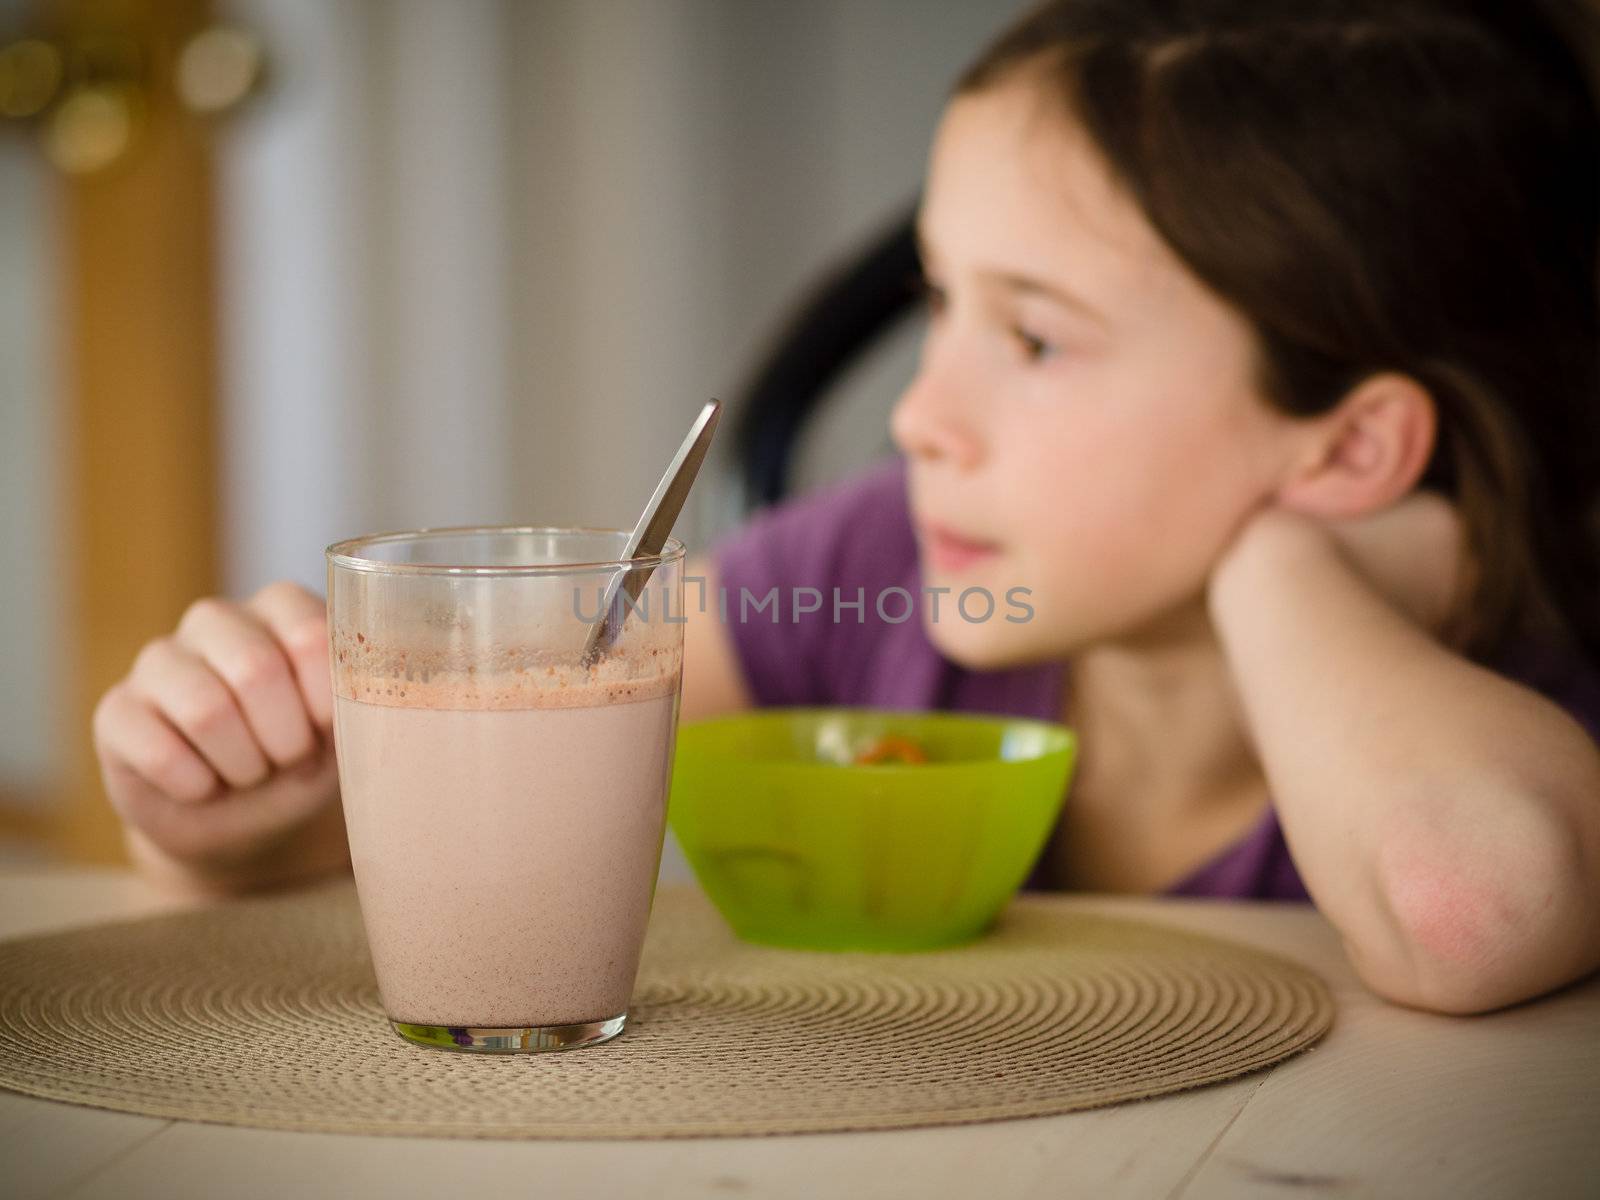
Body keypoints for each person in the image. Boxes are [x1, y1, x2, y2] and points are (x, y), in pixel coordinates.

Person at [93, 0, 1600, 1014]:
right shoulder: (870, 569)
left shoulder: (1500, 700)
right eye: (939, 302)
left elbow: (1472, 910)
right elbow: (395, 852)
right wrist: (226, 818)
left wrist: (1284, 566)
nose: (914, 414)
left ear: (1346, 449)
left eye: (1035, 337)